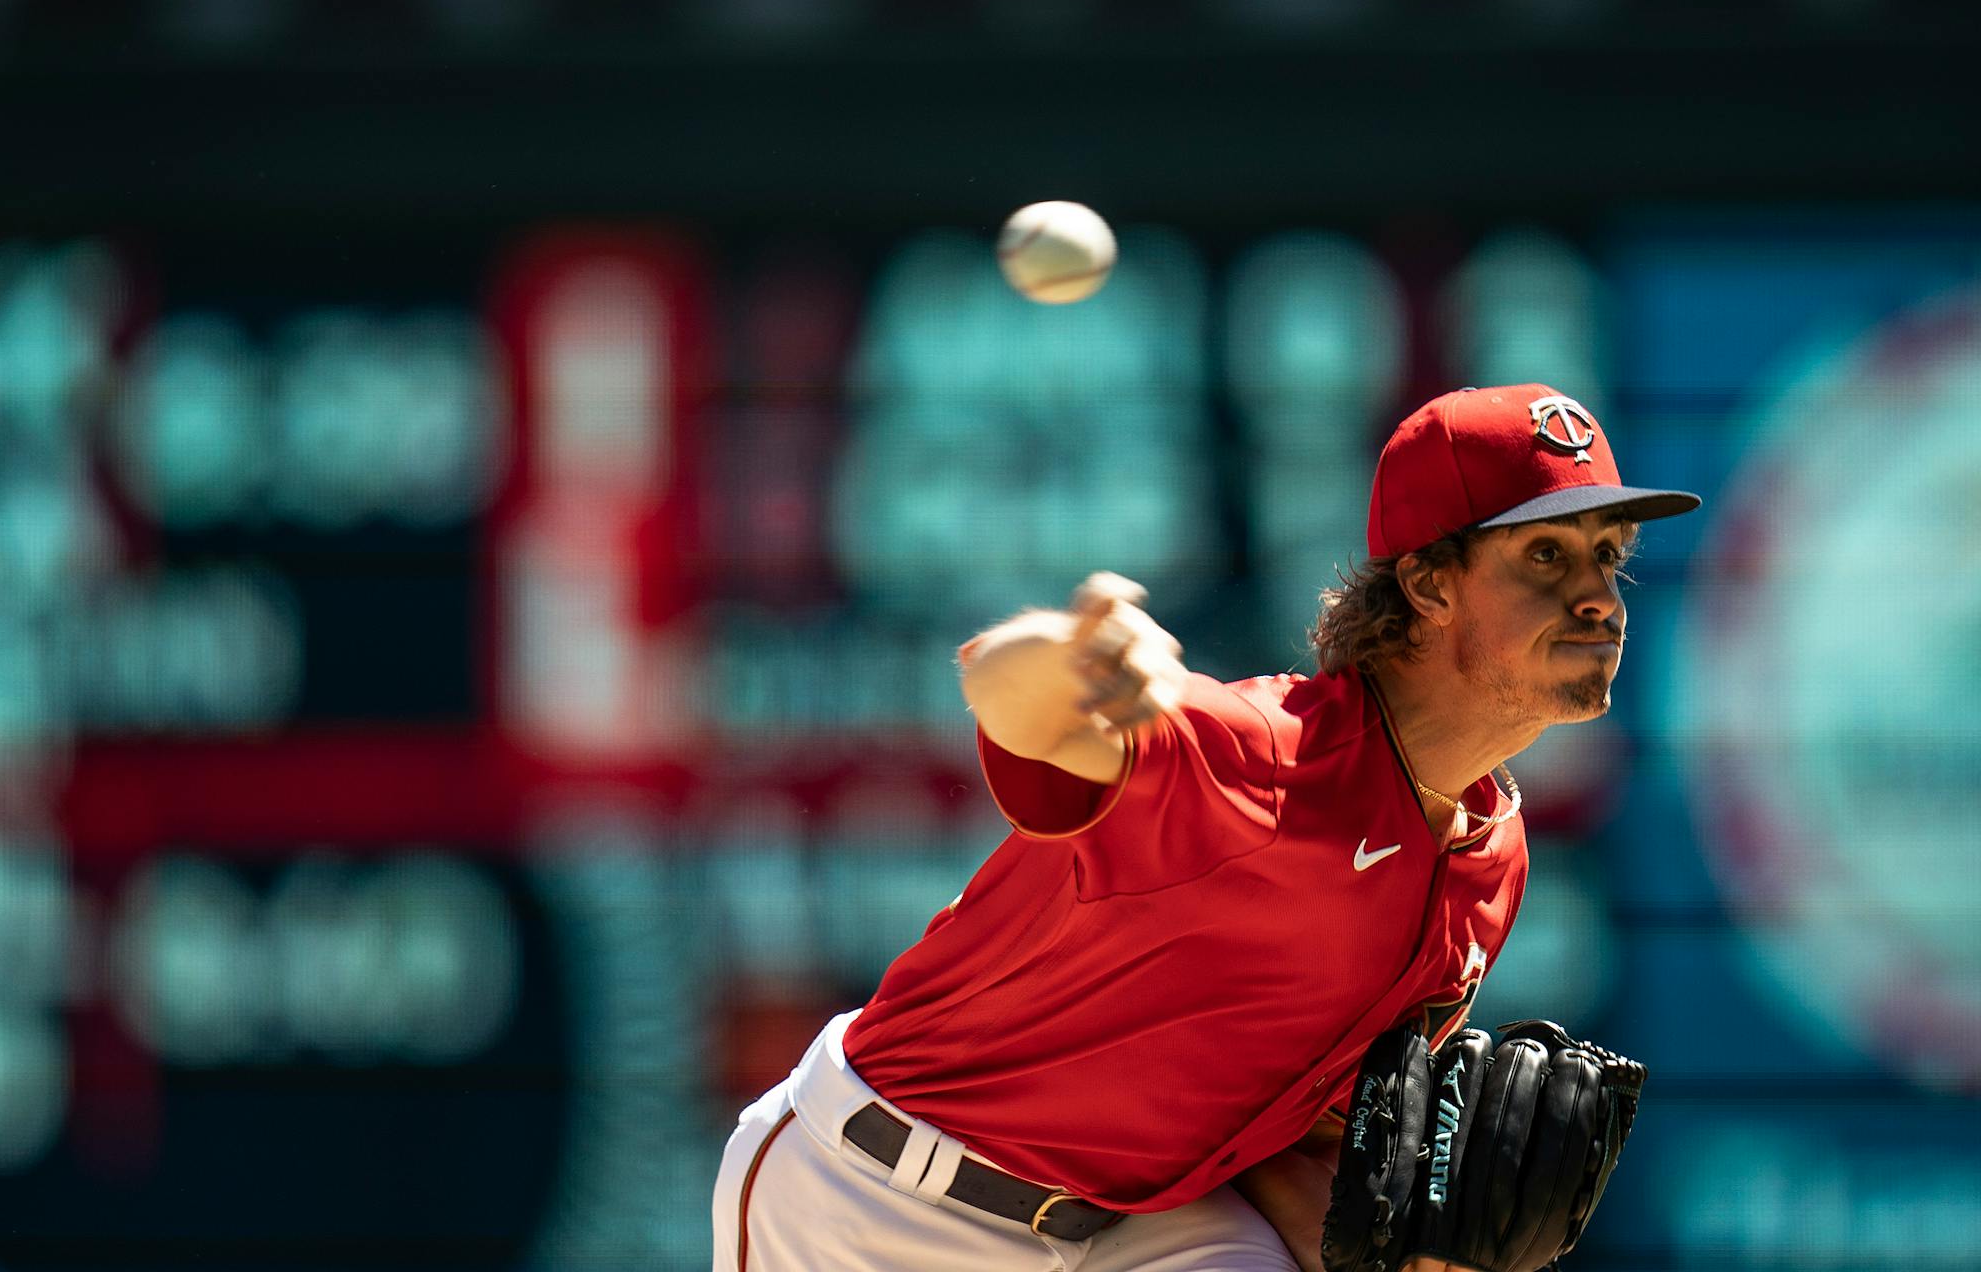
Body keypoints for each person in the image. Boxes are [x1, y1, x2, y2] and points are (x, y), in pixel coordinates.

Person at [712, 384, 1699, 1272]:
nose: (1596, 596)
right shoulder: (1259, 755)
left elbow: (1305, 1140)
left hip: (1138, 1228)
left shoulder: (1490, 856)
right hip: (875, 1195)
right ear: (1429, 582)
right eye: (1544, 554)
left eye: (1608, 556)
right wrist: (1061, 661)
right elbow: (1011, 701)